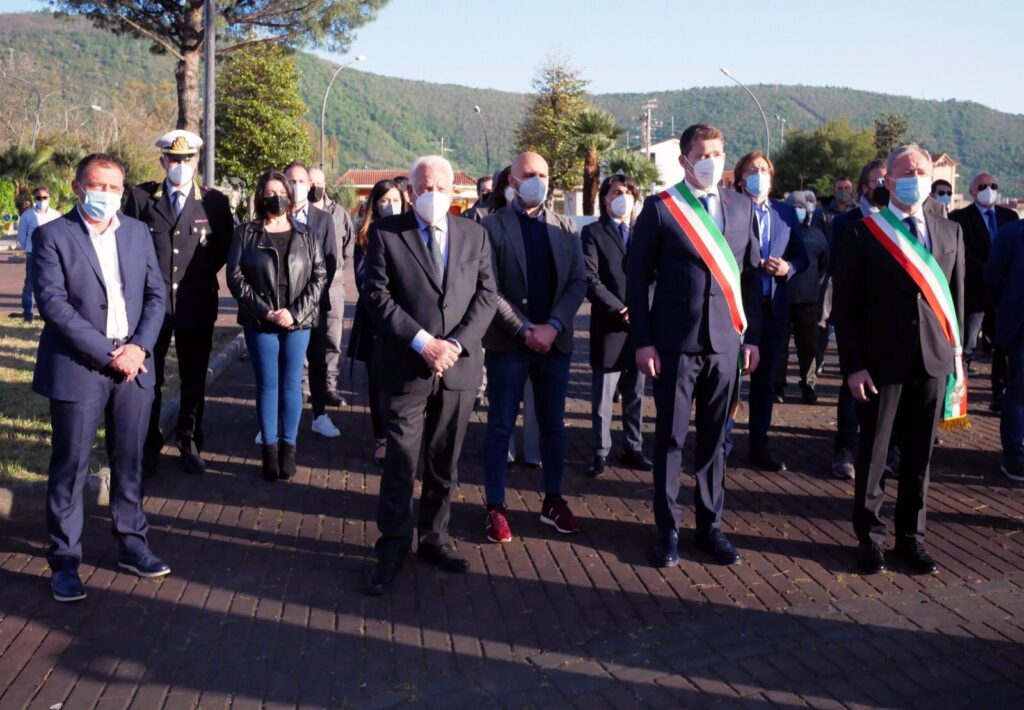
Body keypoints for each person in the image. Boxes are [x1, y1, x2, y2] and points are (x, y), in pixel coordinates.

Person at [33, 153, 170, 602]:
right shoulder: (52, 235)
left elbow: (155, 296)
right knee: (70, 465)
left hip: (134, 367)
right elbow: (53, 305)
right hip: (79, 366)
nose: (106, 195)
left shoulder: (137, 233)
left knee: (129, 460)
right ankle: (65, 560)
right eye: (98, 186)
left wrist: (137, 349)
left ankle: (132, 543)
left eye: (114, 188)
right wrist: (110, 353)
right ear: (77, 188)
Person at [627, 123, 763, 568]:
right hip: (674, 344)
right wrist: (643, 342)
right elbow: (637, 280)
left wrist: (752, 336)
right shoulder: (662, 208)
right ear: (685, 159)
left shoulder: (742, 207)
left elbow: (750, 278)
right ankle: (668, 527)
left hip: (726, 345)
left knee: (714, 440)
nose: (712, 160)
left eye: (718, 152)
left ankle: (710, 526)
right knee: (670, 438)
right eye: (702, 153)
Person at [361, 156, 497, 595]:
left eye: (440, 185)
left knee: (444, 462)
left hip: (458, 367)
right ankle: (393, 545)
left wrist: (454, 344)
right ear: (411, 191)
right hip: (406, 365)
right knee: (401, 461)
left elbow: (487, 294)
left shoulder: (475, 234)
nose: (432, 193)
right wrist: (423, 343)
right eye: (424, 186)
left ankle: (434, 537)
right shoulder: (386, 234)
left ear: (453, 190)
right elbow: (376, 296)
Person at [834, 144, 965, 576]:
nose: (916, 176)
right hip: (879, 364)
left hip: (932, 362)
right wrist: (853, 365)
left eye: (922, 170)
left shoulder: (951, 233)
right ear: (887, 180)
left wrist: (955, 362)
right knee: (873, 456)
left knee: (919, 458)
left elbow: (956, 305)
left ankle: (912, 538)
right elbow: (846, 308)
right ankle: (870, 540)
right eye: (906, 170)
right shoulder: (861, 232)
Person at [481, 151, 586, 543]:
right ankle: (495, 507)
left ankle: (553, 501)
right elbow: (488, 288)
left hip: (554, 345)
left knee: (554, 427)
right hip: (510, 345)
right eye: (529, 174)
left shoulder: (567, 227)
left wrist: (554, 326)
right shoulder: (491, 227)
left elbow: (578, 282)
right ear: (512, 180)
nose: (537, 180)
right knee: (500, 426)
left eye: (542, 174)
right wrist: (526, 329)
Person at [123, 130, 234, 478]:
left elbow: (222, 250)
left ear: (196, 162)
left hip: (196, 302)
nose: (180, 166)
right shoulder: (141, 199)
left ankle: (189, 438)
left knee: (193, 377)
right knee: (148, 378)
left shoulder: (214, 203)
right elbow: (128, 246)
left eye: (187, 160)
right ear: (162, 162)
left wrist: (196, 278)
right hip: (150, 307)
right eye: (174, 159)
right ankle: (148, 443)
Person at [228, 170, 326, 482]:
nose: (276, 197)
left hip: (298, 323)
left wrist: (295, 313)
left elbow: (319, 276)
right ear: (260, 197)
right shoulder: (246, 233)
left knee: (292, 384)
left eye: (280, 191)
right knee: (267, 385)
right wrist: (265, 311)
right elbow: (235, 277)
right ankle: (269, 450)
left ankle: (289, 448)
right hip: (261, 322)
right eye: (268, 192)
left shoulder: (307, 234)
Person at [730, 150, 807, 472]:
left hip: (774, 305)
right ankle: (719, 442)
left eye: (763, 169)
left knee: (765, 383)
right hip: (737, 306)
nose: (758, 174)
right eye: (751, 169)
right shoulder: (727, 208)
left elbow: (802, 257)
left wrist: (786, 267)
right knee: (730, 379)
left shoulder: (785, 213)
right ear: (740, 177)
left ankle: (759, 445)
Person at [582, 174, 652, 478]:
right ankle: (600, 450)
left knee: (636, 392)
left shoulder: (645, 233)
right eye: (615, 192)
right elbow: (589, 277)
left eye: (627, 192)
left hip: (640, 326)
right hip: (609, 326)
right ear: (605, 198)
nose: (621, 196)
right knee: (603, 397)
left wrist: (641, 309)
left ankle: (633, 447)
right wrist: (618, 307)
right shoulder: (592, 233)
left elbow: (656, 275)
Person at [828, 158, 888, 480]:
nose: (884, 186)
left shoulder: (898, 221)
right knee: (852, 386)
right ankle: (844, 449)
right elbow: (838, 271)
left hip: (891, 319)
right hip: (856, 316)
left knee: (888, 388)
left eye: (888, 180)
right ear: (865, 185)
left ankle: (884, 450)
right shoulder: (846, 222)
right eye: (878, 180)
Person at [347, 179, 407, 467]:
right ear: (375, 203)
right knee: (376, 382)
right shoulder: (365, 236)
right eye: (384, 200)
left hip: (408, 320)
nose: (390, 206)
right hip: (375, 320)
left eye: (395, 200)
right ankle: (381, 438)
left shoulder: (412, 232)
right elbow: (364, 283)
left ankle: (401, 437)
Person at [950, 173, 1019, 405]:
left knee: (1002, 346)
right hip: (974, 294)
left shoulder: (1009, 217)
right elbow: (963, 253)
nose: (988, 189)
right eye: (982, 186)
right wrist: (991, 269)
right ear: (972, 190)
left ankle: (1000, 396)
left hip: (1003, 294)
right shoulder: (959, 218)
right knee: (967, 346)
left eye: (993, 186)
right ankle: (958, 399)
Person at [284, 161, 341, 438]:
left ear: (311, 186)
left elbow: (330, 264)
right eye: (291, 181)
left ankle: (320, 414)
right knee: (283, 364)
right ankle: (277, 419)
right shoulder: (275, 217)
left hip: (314, 305)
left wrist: (308, 299)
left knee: (317, 361)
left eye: (301, 181)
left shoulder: (323, 220)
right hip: (281, 306)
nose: (296, 187)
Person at [775, 191, 830, 404]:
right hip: (781, 299)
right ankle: (778, 386)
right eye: (794, 207)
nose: (798, 210)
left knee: (808, 347)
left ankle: (809, 386)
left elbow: (824, 266)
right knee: (780, 348)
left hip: (808, 301)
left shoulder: (817, 236)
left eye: (801, 207)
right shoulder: (780, 232)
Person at [308, 166, 356, 405]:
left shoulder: (339, 213)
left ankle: (329, 388)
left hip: (333, 287)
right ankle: (305, 387)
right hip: (304, 288)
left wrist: (334, 271)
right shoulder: (297, 213)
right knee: (304, 341)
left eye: (319, 183)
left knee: (332, 340)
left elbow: (348, 246)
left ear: (325, 184)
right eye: (311, 183)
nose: (315, 188)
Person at [985, 219, 1024, 482]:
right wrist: (1004, 310)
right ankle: (1014, 455)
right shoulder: (1012, 233)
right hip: (1021, 329)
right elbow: (992, 277)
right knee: (1019, 393)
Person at [15, 184, 59, 322]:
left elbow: (59, 234)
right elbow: (22, 236)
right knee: (30, 285)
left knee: (52, 284)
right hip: (33, 253)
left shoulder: (55, 215)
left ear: (49, 198)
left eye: (44, 197)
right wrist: (29, 248)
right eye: (38, 197)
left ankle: (50, 315)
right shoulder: (27, 216)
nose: (41, 200)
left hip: (51, 254)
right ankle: (28, 315)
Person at [811, 176, 855, 242]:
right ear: (834, 192)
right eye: (840, 188)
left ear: (853, 191)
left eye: (847, 188)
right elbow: (816, 240)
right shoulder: (821, 214)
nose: (843, 191)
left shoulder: (858, 213)